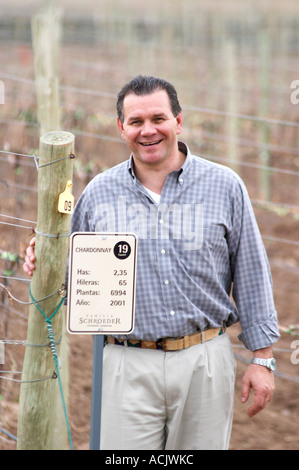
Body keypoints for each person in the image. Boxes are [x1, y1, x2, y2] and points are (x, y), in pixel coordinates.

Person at [23, 75, 280, 450]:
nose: (148, 131)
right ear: (121, 128)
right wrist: (41, 257)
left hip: (204, 359)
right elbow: (69, 269)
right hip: (126, 362)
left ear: (178, 121)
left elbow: (252, 273)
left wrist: (263, 358)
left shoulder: (225, 186)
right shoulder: (98, 193)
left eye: (158, 118)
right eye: (136, 122)